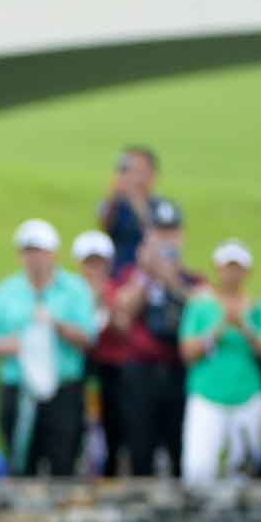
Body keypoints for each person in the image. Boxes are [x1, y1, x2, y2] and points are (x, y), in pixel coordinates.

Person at [0, 220, 99, 476]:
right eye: (28, 252)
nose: (34, 259)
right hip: (18, 386)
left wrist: (56, 326)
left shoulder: (74, 289)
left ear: (53, 254)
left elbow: (88, 337)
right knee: (21, 462)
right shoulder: (6, 291)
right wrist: (15, 344)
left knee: (63, 461)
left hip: (62, 387)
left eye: (39, 252)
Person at [109, 201, 201, 477]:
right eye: (159, 232)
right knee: (140, 448)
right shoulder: (133, 276)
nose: (166, 239)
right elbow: (122, 313)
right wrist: (147, 274)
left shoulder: (190, 280)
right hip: (141, 371)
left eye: (171, 232)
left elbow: (201, 306)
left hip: (178, 370)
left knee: (179, 447)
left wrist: (170, 279)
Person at [179, 241, 261, 485]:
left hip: (247, 394)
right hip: (207, 394)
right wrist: (219, 328)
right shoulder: (200, 305)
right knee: (198, 468)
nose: (232, 274)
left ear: (247, 272)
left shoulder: (259, 308)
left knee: (243, 470)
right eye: (227, 267)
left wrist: (245, 327)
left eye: (237, 268)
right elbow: (187, 351)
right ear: (218, 269)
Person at [73, 230, 125, 475]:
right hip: (79, 369)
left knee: (112, 426)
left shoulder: (115, 292)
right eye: (89, 263)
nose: (94, 269)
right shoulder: (69, 292)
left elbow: (120, 328)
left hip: (111, 369)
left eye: (99, 263)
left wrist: (104, 299)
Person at [95, 146, 161, 274]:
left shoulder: (161, 206)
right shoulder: (116, 204)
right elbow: (103, 225)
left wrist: (136, 200)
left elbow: (155, 234)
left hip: (149, 272)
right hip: (117, 271)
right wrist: (113, 195)